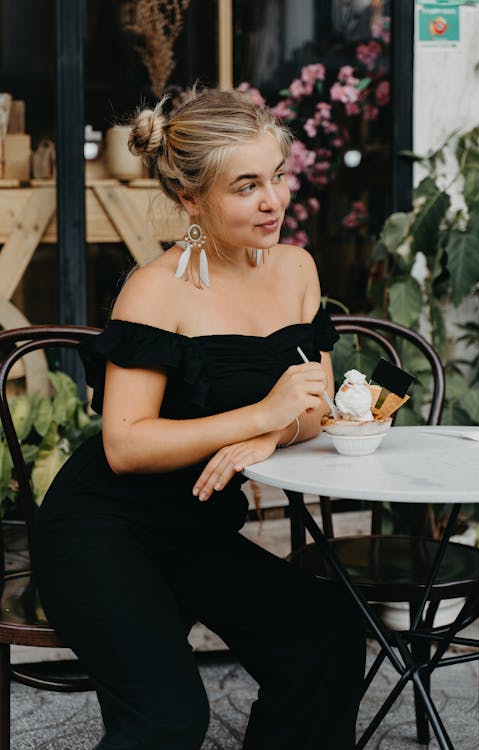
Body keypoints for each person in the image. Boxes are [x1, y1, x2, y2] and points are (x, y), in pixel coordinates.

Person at [32, 88, 366, 750]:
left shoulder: (297, 267)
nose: (273, 200)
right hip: (102, 532)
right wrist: (261, 412)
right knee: (168, 719)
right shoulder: (156, 288)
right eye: (246, 186)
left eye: (277, 176)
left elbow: (316, 406)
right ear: (191, 201)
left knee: (325, 638)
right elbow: (125, 446)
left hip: (198, 532)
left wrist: (274, 428)